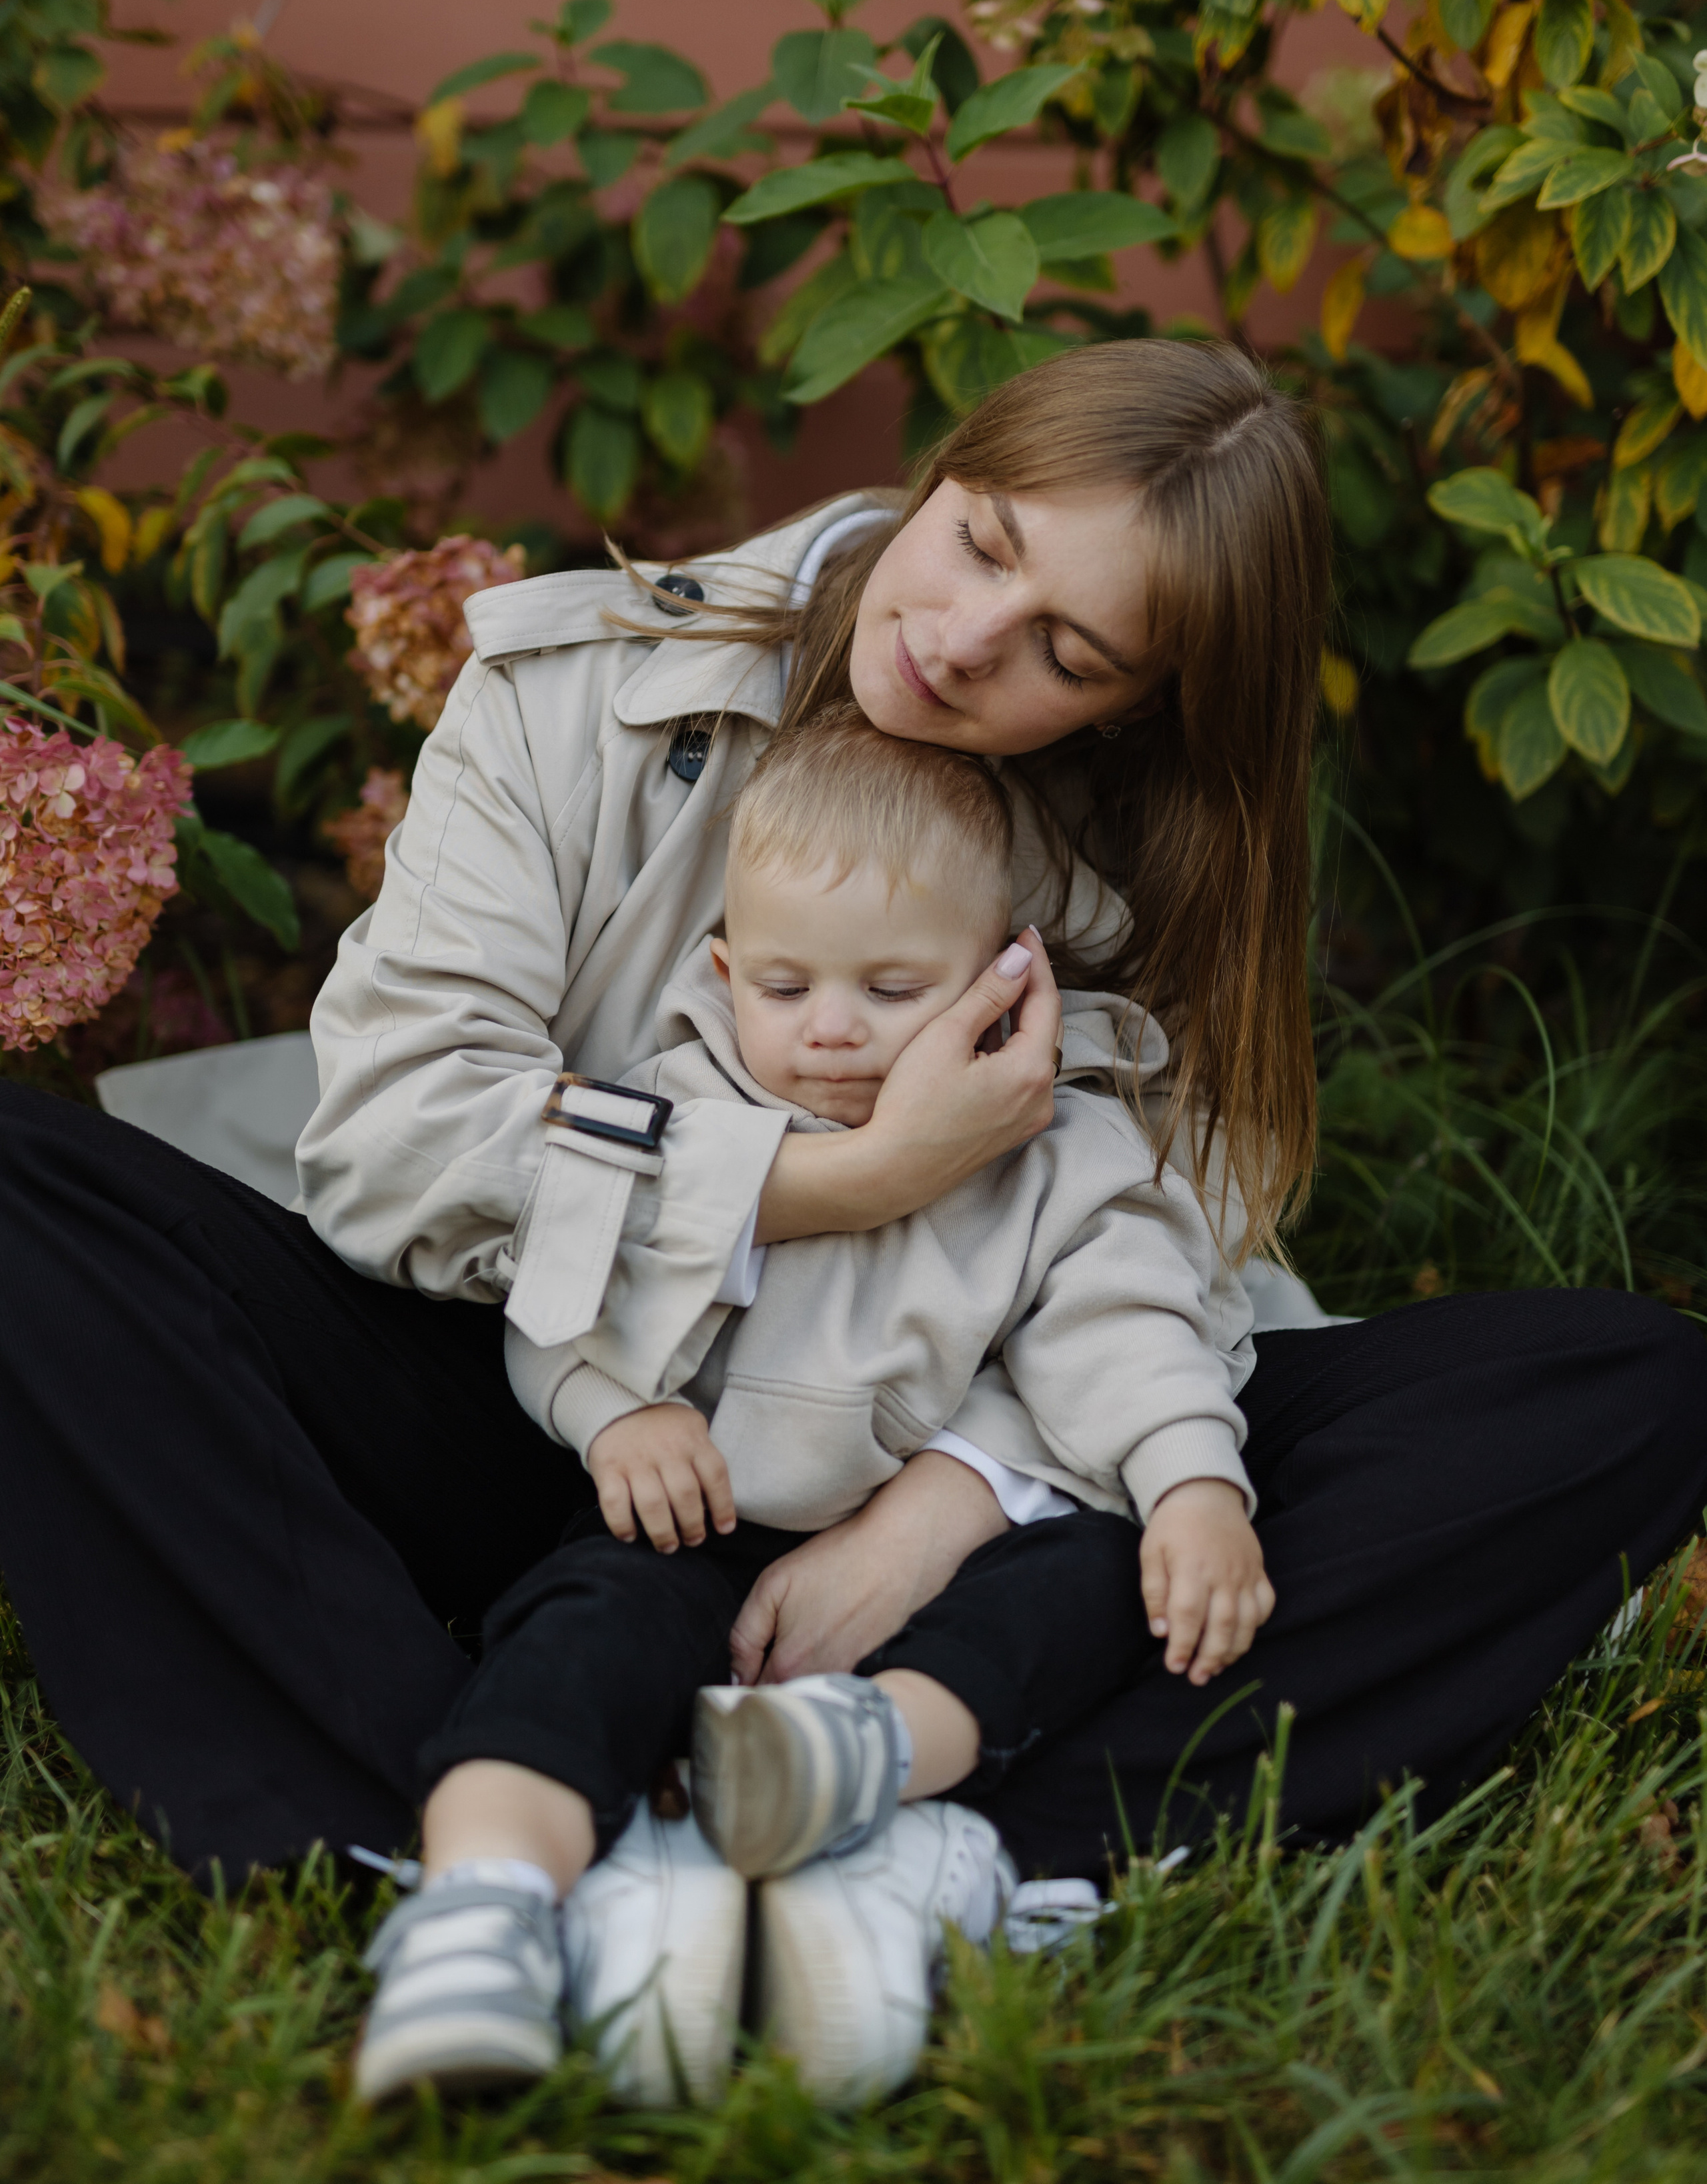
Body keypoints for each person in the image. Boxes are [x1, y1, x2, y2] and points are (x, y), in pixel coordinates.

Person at [0, 343, 1701, 2086]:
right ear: (945, 468)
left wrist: (949, 1507)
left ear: (1140, 703)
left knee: (1619, 1384)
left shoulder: (1148, 861)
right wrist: (849, 1179)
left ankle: (917, 1835)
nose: (967, 637)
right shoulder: (582, 692)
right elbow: (396, 1149)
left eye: (1071, 649)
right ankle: (450, 1826)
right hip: (553, 1396)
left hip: (951, 1455)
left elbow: (1138, 1274)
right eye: (981, 539)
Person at [355, 704, 1274, 2105]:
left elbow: (1129, 1331)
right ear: (723, 972)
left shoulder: (1060, 1149)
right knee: (577, 1630)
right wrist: (613, 1415)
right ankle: (478, 1906)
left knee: (1086, 1584)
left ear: (1000, 982)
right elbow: (549, 1308)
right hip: (702, 1521)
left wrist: (1194, 1483)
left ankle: (857, 1770)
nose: (832, 1033)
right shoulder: (663, 1114)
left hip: (944, 1552)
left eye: (894, 991)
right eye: (784, 989)